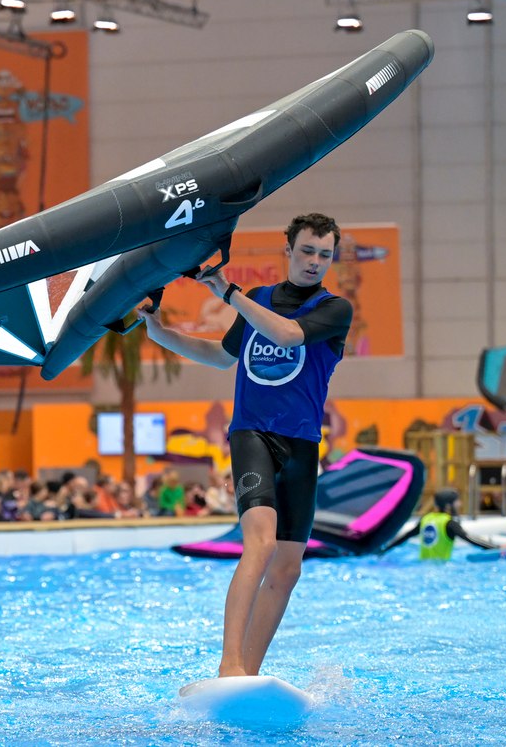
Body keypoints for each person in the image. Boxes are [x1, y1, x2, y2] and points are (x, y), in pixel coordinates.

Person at [138, 212, 352, 679]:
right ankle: (229, 667)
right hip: (253, 433)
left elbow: (289, 336)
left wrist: (227, 293)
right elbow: (221, 356)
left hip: (302, 445)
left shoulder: (334, 310)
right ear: (289, 251)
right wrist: (161, 334)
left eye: (324, 253)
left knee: (289, 567)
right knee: (260, 542)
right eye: (307, 251)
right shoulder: (258, 300)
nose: (315, 261)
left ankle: (248, 675)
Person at [382, 489, 499, 559]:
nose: (460, 504)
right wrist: (495, 548)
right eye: (457, 501)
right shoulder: (449, 523)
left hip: (422, 566)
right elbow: (469, 539)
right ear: (448, 505)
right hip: (441, 567)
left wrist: (384, 550)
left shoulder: (426, 519)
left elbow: (405, 536)